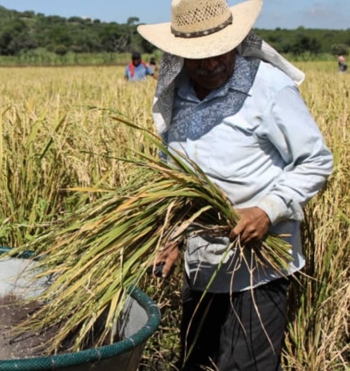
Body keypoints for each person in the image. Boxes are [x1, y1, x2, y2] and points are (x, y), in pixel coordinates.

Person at [137, 0, 333, 370]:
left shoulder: (269, 89)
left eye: (219, 52)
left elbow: (316, 161)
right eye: (198, 56)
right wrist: (172, 239)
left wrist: (267, 209)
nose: (211, 64)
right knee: (197, 364)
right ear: (179, 54)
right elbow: (177, 180)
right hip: (203, 270)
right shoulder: (176, 96)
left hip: (257, 270)